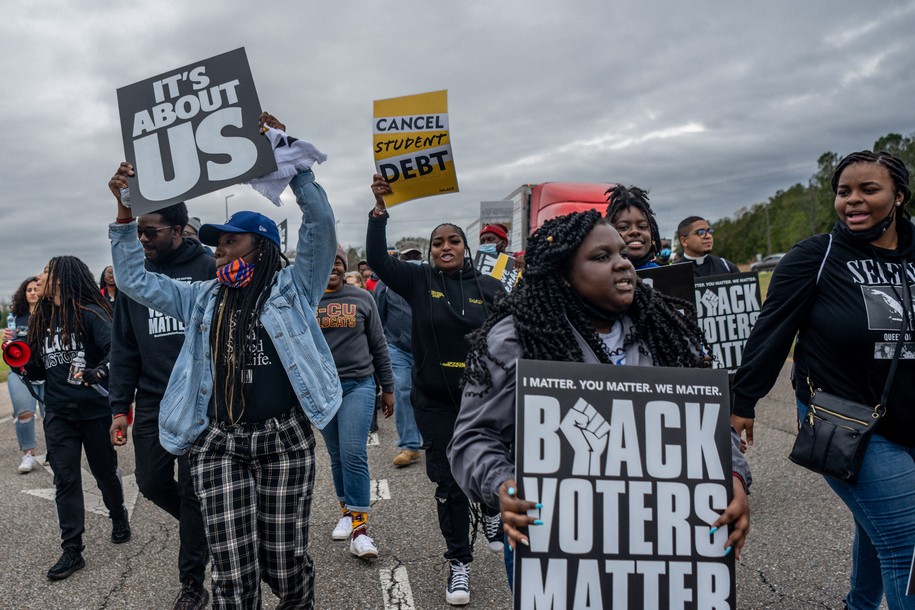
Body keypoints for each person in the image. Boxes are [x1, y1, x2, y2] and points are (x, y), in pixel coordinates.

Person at [108, 112, 341, 608]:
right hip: (218, 444)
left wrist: (292, 162)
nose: (217, 251)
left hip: (283, 441)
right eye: (215, 244)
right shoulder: (202, 298)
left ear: (263, 247)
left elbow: (320, 224)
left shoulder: (293, 289)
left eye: (230, 241)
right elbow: (135, 282)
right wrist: (125, 216)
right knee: (233, 574)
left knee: (283, 561)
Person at [450, 210, 751, 588]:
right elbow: (472, 438)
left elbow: (707, 423)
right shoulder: (515, 341)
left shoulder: (662, 329)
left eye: (622, 253)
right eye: (601, 257)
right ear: (564, 275)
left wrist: (734, 478)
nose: (623, 263)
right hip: (554, 539)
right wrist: (504, 486)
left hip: (657, 540)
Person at [731, 150, 915, 609]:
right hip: (847, 418)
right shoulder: (816, 256)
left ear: (898, 196)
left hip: (911, 414)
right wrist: (743, 403)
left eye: (867, 190)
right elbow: (771, 333)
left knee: (882, 529)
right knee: (907, 544)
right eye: (843, 192)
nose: (852, 200)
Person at [367, 175, 504, 606]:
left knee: (486, 475)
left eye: (454, 242)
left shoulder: (491, 288)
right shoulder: (417, 280)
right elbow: (377, 259)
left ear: (466, 248)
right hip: (435, 404)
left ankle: (493, 511)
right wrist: (379, 211)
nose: (445, 247)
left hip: (484, 405)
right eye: (438, 243)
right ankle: (459, 561)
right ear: (430, 251)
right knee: (447, 483)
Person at [106, 197, 214, 609]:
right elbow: (124, 347)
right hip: (152, 399)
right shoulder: (137, 277)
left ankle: (192, 584)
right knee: (151, 483)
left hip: (199, 398)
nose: (143, 239)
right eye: (138, 232)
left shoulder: (208, 268)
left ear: (179, 228)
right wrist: (120, 408)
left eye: (151, 232)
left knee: (191, 490)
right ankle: (206, 525)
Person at [24, 256, 130, 580]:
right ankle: (72, 550)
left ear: (64, 278)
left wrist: (99, 371)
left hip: (95, 411)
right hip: (59, 414)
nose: (42, 278)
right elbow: (38, 368)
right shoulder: (41, 318)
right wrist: (22, 364)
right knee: (65, 477)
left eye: (48, 272)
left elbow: (117, 351)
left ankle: (118, 515)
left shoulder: (90, 312)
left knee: (104, 472)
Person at [317, 245, 394, 559]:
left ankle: (361, 532)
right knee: (336, 456)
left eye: (337, 262)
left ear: (344, 265)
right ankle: (347, 513)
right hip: (322, 392)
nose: (333, 267)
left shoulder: (363, 298)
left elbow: (378, 344)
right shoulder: (306, 300)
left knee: (353, 453)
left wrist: (387, 387)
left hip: (358, 385)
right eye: (326, 261)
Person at [374, 241, 423, 468]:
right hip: (398, 348)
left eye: (416, 256)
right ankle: (410, 445)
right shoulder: (385, 285)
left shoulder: (430, 278)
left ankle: (438, 442)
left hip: (428, 348)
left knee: (432, 393)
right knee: (403, 390)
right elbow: (379, 317)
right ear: (399, 259)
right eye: (407, 256)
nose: (412, 260)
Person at [4, 276, 44, 473]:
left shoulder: (51, 314)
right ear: (24, 294)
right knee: (25, 414)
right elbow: (9, 348)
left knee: (52, 415)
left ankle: (55, 451)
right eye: (29, 290)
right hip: (21, 374)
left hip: (48, 373)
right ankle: (28, 454)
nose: (33, 293)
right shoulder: (16, 317)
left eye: (36, 289)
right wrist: (5, 340)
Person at [606, 184, 662, 270]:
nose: (635, 231)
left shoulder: (665, 275)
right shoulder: (601, 276)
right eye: (623, 227)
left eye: (642, 226)